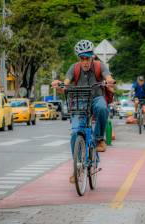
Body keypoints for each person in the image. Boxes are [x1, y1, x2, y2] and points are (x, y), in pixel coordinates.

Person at [51, 40, 115, 182]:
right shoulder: (74, 68)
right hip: (79, 101)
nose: (85, 61)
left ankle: (98, 139)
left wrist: (109, 81)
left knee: (102, 108)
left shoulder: (99, 66)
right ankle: (77, 167)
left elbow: (108, 77)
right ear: (79, 58)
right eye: (82, 58)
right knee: (75, 133)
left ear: (92, 56)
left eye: (87, 58)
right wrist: (59, 85)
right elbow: (65, 84)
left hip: (97, 97)